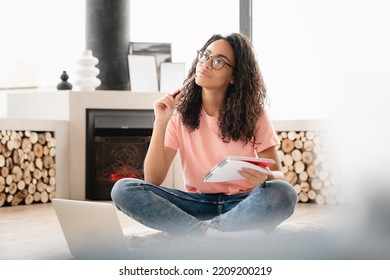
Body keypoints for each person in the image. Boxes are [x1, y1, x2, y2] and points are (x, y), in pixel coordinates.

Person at [111, 32, 297, 238]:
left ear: (234, 77)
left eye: (218, 61)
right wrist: (160, 121)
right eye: (204, 55)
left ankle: (199, 233)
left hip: (244, 203)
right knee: (123, 189)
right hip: (197, 204)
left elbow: (280, 177)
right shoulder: (179, 115)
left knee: (284, 193)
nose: (206, 64)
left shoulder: (255, 114)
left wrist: (267, 176)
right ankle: (213, 234)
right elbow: (153, 178)